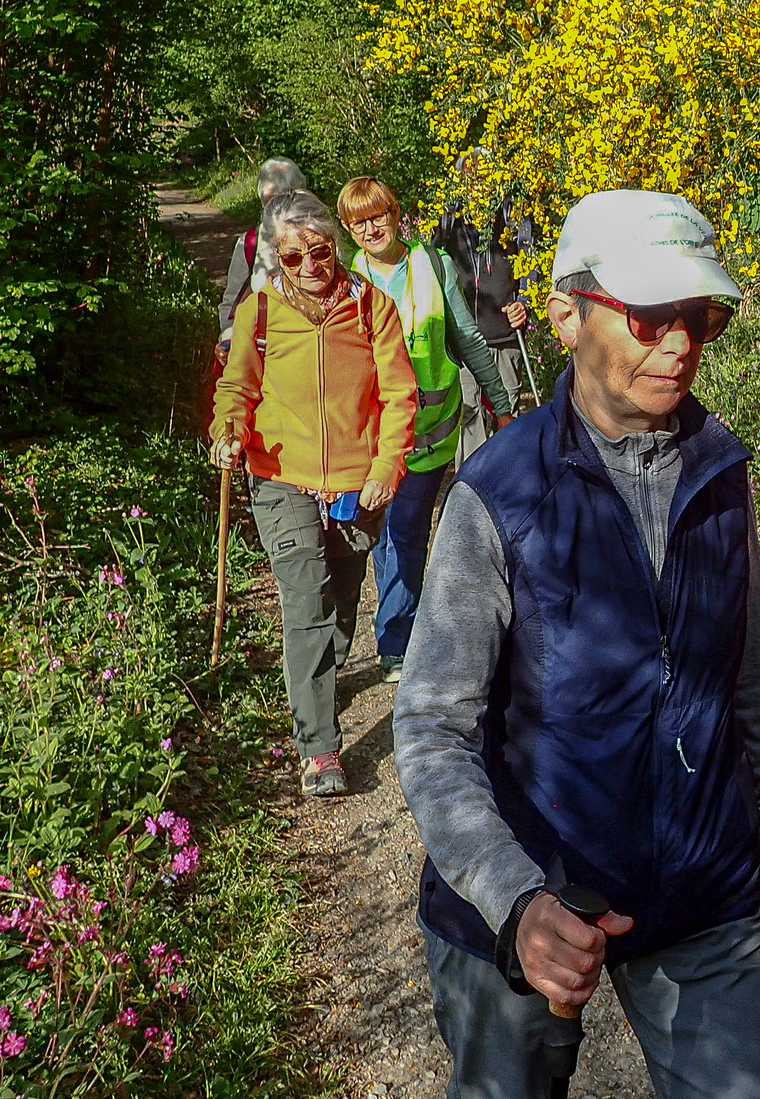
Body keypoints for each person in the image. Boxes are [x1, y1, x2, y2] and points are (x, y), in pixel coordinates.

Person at [394, 189, 760, 1099]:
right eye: (650, 315)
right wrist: (514, 901)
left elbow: (749, 669)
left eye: (700, 316)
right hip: (533, 897)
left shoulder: (720, 470)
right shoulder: (497, 494)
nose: (680, 343)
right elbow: (430, 726)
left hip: (703, 884)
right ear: (565, 315)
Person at [210, 190, 418, 797]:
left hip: (357, 483)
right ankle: (318, 748)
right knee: (306, 600)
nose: (308, 265)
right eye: (293, 256)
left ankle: (325, 669)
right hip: (280, 475)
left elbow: (399, 394)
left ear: (335, 246)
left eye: (319, 251)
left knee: (343, 592)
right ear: (276, 256)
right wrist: (228, 429)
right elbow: (236, 387)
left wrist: (387, 466)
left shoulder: (371, 306)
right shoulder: (260, 311)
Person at [336, 177, 517, 683]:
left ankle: (397, 642)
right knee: (380, 536)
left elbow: (468, 339)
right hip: (369, 437)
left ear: (396, 214)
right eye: (358, 222)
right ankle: (396, 625)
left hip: (428, 434)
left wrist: (501, 405)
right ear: (347, 229)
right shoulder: (344, 281)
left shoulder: (433, 266)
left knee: (405, 531)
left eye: (379, 216)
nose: (372, 228)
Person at [430, 151, 539, 465]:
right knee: (468, 415)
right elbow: (435, 266)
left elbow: (530, 262)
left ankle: (510, 478)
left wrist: (523, 303)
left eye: (485, 178)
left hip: (504, 335)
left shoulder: (511, 214)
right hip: (462, 338)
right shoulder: (448, 219)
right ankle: (472, 481)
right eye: (471, 178)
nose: (478, 185)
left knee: (508, 414)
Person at [216, 156, 307, 364]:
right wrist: (229, 339)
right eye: (269, 200)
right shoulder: (250, 243)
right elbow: (231, 304)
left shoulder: (317, 239)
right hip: (264, 354)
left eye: (284, 198)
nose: (276, 207)